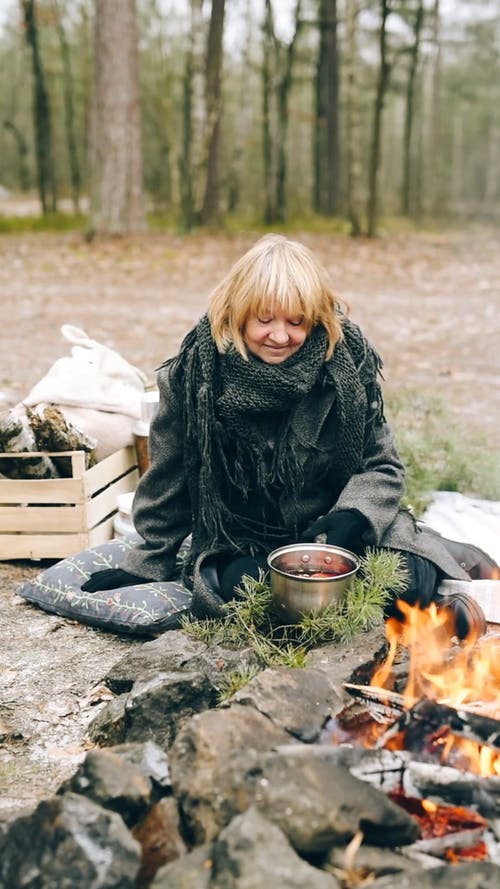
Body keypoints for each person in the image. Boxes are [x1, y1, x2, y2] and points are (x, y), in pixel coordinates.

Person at [82, 234, 497, 638]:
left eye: (296, 322)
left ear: (315, 319)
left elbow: (382, 465)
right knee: (261, 592)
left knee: (410, 575)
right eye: (264, 320)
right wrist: (146, 561)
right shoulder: (193, 378)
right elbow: (168, 483)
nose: (280, 336)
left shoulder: (346, 365)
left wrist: (353, 517)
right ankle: (416, 617)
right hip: (247, 544)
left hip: (338, 537)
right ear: (237, 312)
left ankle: (417, 602)